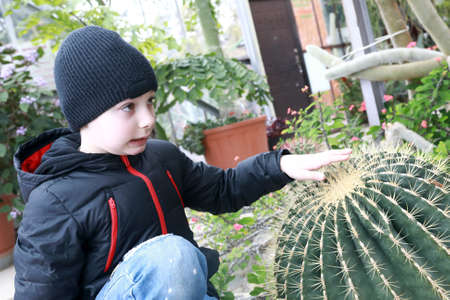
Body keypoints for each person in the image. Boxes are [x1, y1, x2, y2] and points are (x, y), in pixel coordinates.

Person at [13, 26, 351, 300]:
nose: (147, 119)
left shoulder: (161, 157)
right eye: (129, 107)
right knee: (171, 257)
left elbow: (223, 189)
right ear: (86, 114)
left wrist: (279, 166)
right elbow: (41, 292)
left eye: (150, 101)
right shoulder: (54, 200)